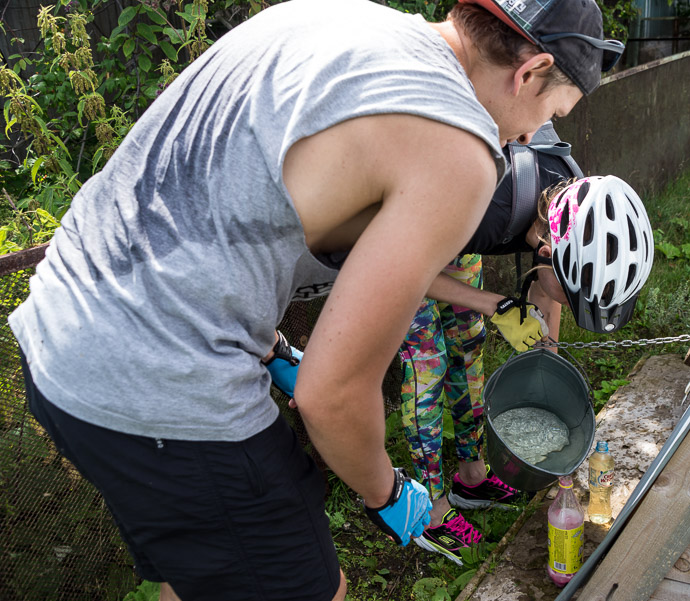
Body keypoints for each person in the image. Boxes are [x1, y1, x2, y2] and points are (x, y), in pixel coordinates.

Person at [8, 0, 621, 599]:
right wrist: (386, 492)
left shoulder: (338, 20)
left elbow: (228, 196)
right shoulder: (460, 150)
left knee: (201, 577)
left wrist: (269, 344)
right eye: (548, 113)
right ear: (531, 71)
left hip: (62, 331)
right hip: (167, 381)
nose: (528, 137)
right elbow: (330, 396)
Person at [399, 121, 585, 565]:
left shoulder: (572, 209)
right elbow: (406, 266)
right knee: (429, 365)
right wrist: (499, 304)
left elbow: (548, 287)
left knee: (469, 347)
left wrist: (547, 357)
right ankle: (430, 509)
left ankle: (470, 473)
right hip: (403, 237)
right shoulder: (485, 202)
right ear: (547, 250)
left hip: (457, 235)